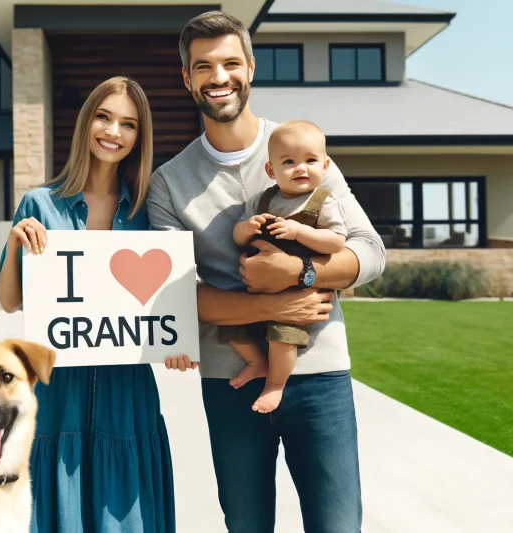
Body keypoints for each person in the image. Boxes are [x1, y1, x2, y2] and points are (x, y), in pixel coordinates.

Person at [150, 11, 386, 533]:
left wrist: (300, 275)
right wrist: (270, 304)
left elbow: (370, 252)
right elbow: (177, 295)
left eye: (231, 62)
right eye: (203, 66)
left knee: (338, 525)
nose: (219, 77)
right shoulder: (167, 183)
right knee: (247, 524)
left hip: (319, 375)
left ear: (251, 68)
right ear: (187, 78)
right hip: (229, 380)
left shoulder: (305, 150)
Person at [0, 76, 175, 533]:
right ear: (86, 122)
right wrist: (17, 241)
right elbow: (10, 300)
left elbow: (163, 300)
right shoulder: (39, 203)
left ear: (139, 137)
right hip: (60, 390)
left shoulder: (146, 212)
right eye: (104, 117)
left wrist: (175, 335)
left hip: (128, 389)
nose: (113, 131)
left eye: (128, 124)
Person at [225, 120, 347, 413]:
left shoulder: (324, 201)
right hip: (257, 291)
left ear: (325, 166)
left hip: (297, 295)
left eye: (310, 160)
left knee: (283, 338)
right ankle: (256, 362)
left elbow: (336, 241)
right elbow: (237, 235)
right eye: (289, 162)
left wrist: (299, 232)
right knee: (231, 328)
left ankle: (275, 385)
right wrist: (247, 226)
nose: (301, 168)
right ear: (271, 170)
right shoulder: (262, 200)